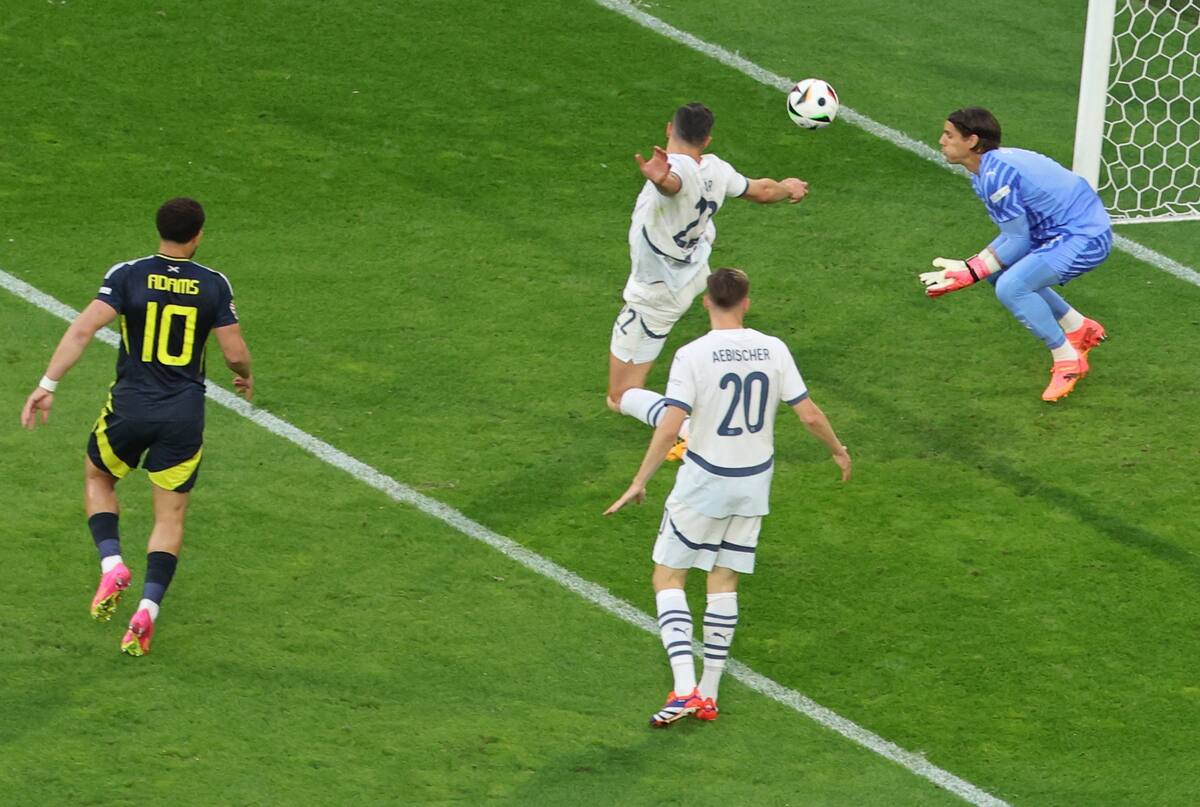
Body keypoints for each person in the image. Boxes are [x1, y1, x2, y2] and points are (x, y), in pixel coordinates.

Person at [604, 267, 851, 727]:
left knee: (669, 578)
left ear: (705, 302)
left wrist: (640, 480)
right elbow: (811, 415)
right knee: (724, 582)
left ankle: (683, 690)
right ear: (747, 302)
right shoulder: (774, 348)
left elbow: (671, 423)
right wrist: (837, 450)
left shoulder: (693, 354)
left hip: (704, 483)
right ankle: (710, 693)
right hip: (754, 484)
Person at [20, 197, 253, 656]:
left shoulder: (126, 273)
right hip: (183, 416)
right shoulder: (213, 285)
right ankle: (147, 608)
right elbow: (233, 352)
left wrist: (48, 383)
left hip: (130, 407)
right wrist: (245, 374)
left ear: (158, 229)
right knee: (171, 515)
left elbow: (83, 329)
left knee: (98, 476)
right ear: (199, 234)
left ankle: (112, 563)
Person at [608, 102, 810, 457]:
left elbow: (674, 183)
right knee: (632, 385)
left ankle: (690, 429)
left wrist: (661, 179)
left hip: (655, 294)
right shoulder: (717, 169)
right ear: (707, 139)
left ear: (669, 129)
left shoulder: (677, 170)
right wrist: (788, 187)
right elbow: (762, 191)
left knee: (620, 396)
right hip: (692, 274)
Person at [920, 106, 1112, 402]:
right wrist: (974, 266)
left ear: (972, 141)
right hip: (1061, 231)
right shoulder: (986, 171)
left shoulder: (996, 175)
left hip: (1083, 237)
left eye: (949, 135)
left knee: (1013, 286)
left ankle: (1068, 360)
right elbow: (1014, 237)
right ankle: (1079, 328)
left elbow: (1019, 240)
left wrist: (970, 271)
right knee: (998, 272)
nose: (941, 140)